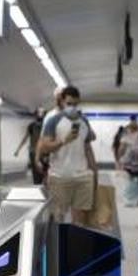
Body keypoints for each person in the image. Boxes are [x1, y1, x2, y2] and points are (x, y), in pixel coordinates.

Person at [37, 86, 98, 225]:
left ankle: (75, 245)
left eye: (75, 104)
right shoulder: (53, 120)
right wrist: (64, 140)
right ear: (62, 102)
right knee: (58, 219)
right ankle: (59, 246)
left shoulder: (84, 121)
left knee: (80, 222)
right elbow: (44, 147)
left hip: (83, 177)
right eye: (69, 104)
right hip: (59, 177)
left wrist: (95, 173)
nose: (72, 107)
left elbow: (88, 148)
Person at [13, 106, 47, 184]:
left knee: (44, 172)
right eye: (39, 113)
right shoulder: (31, 126)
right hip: (33, 152)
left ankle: (44, 186)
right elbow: (25, 138)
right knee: (36, 173)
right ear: (35, 115)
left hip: (44, 152)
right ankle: (37, 186)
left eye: (42, 113)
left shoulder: (46, 125)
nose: (40, 115)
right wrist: (18, 150)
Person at [115, 119, 138, 208]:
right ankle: (137, 199)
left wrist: (118, 159)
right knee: (137, 180)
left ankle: (129, 200)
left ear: (130, 129)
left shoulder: (126, 138)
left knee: (129, 180)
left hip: (129, 163)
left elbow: (121, 150)